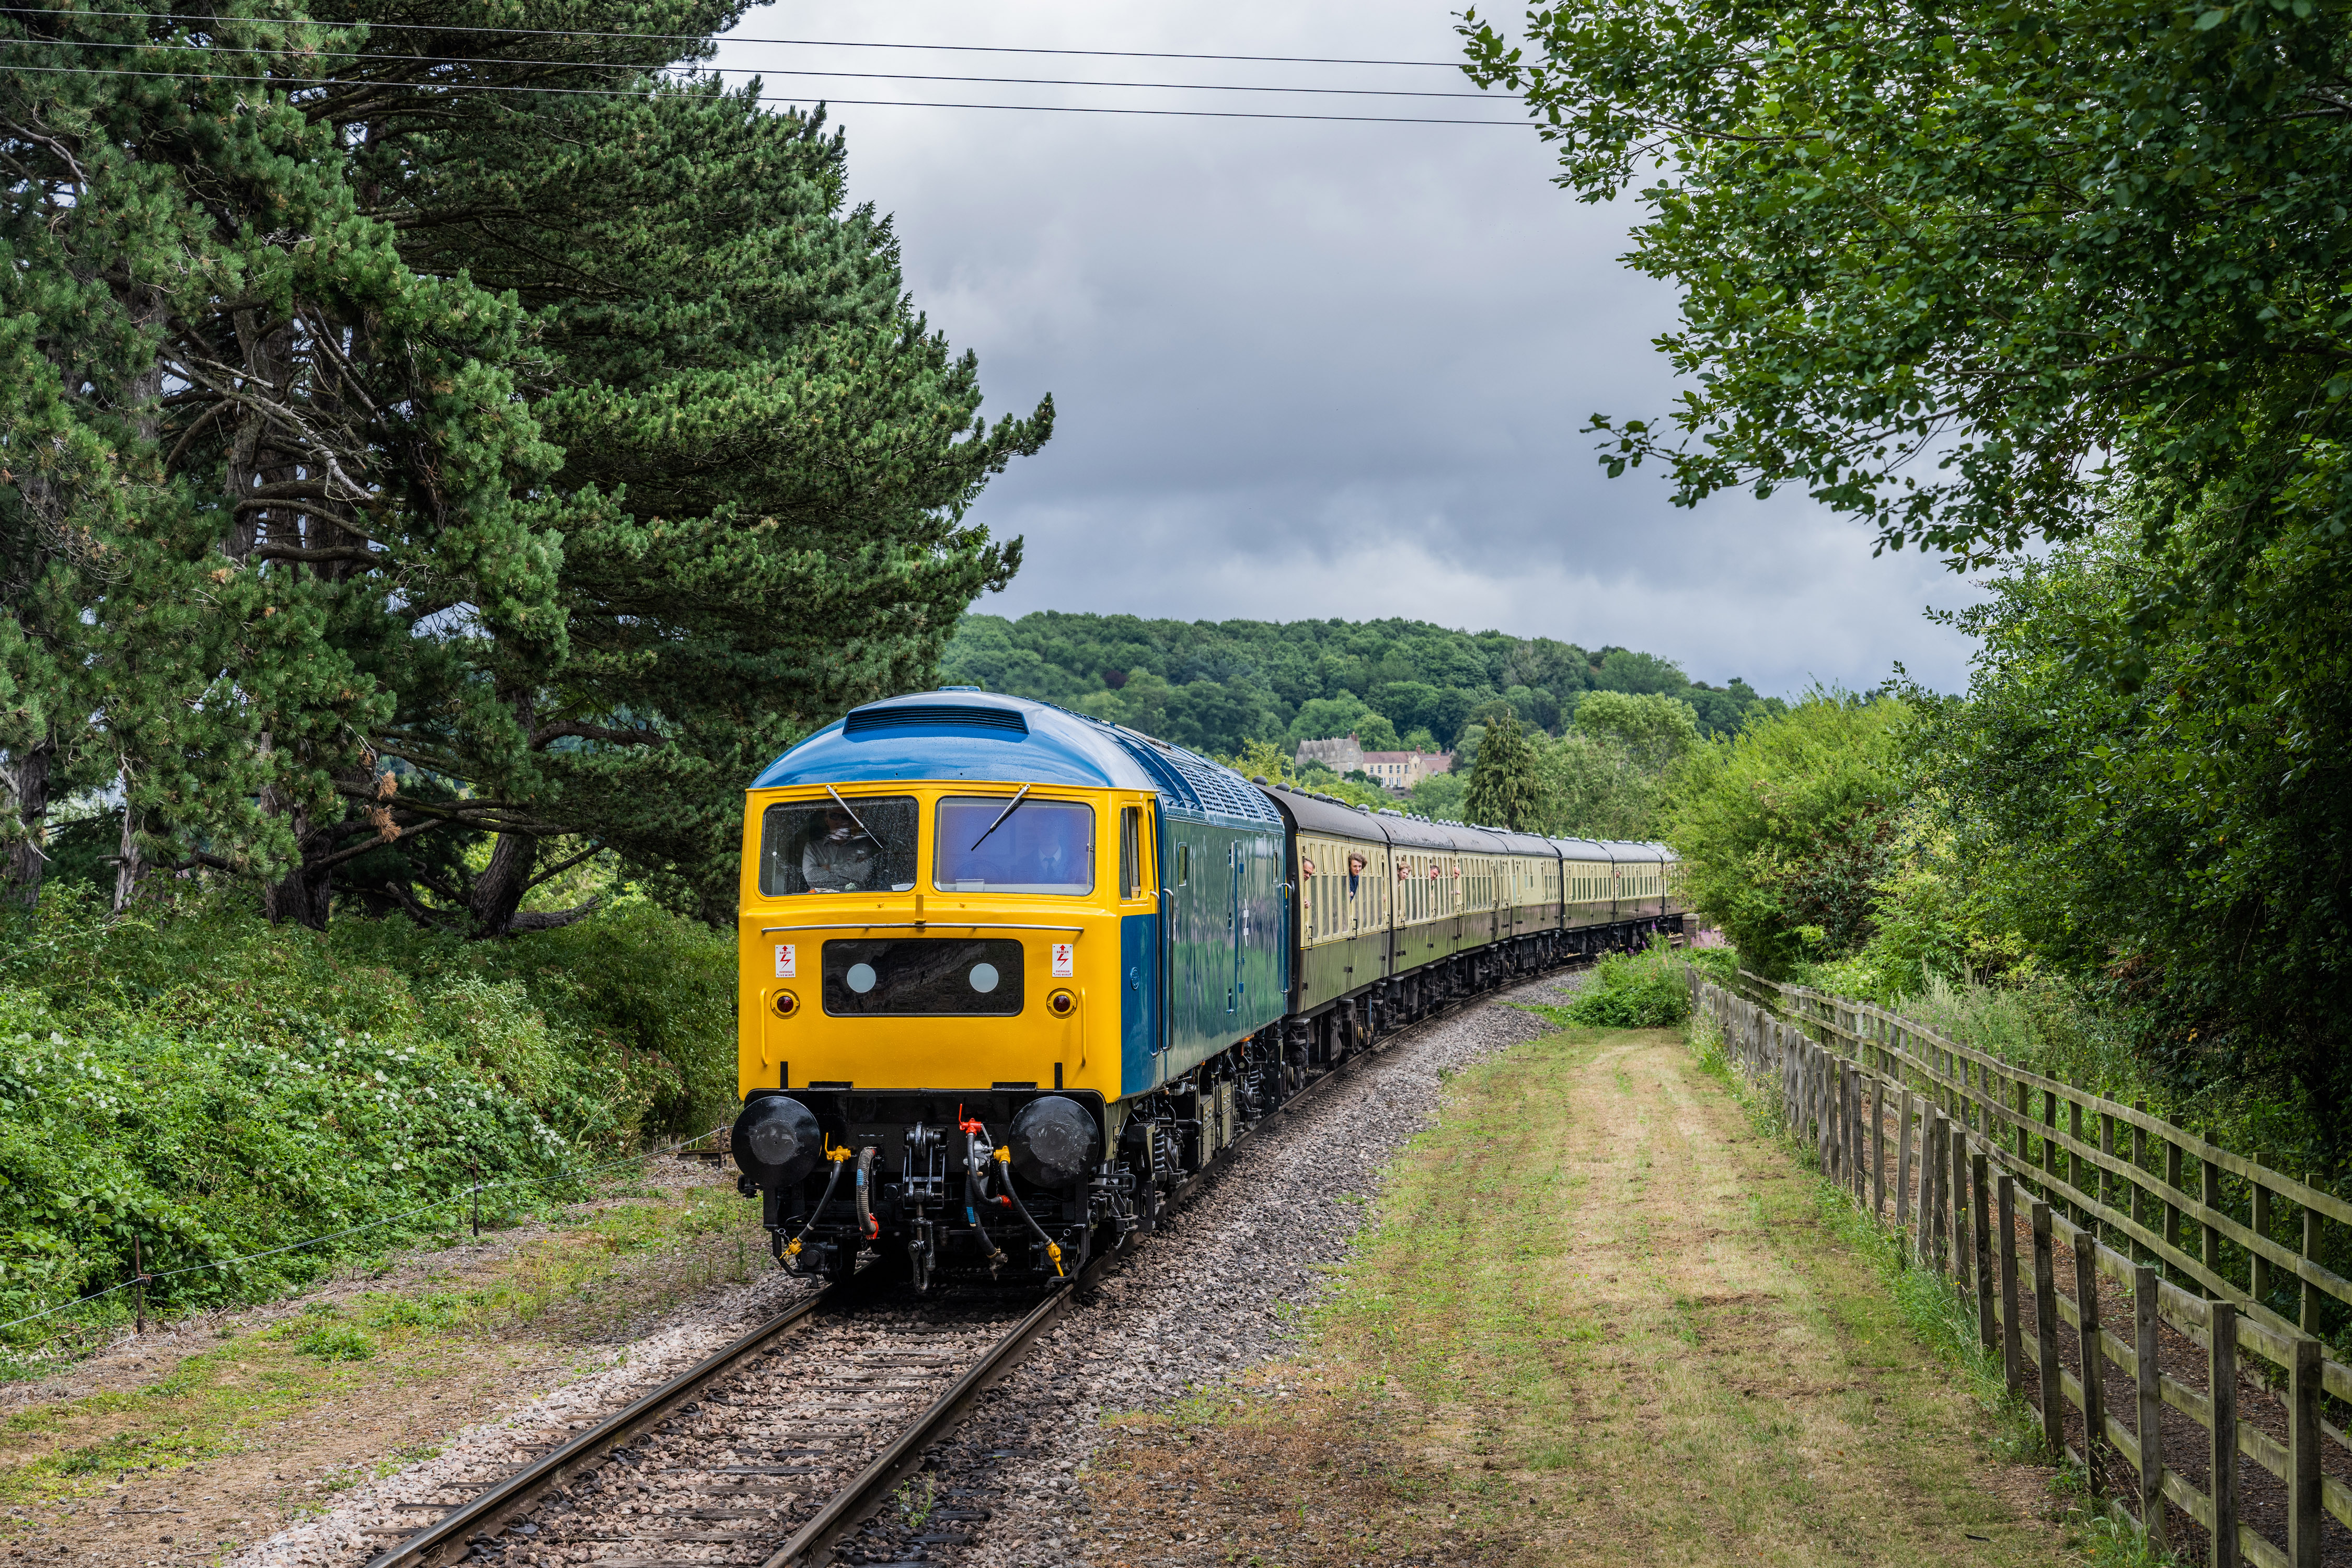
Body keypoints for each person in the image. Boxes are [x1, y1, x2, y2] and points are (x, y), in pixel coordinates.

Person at [802, 807, 879, 892]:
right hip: (821, 901)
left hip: (855, 899)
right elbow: (811, 877)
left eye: (845, 817)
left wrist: (830, 868)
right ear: (827, 820)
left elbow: (864, 874)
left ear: (852, 821)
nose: (840, 821)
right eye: (834, 816)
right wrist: (850, 881)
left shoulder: (862, 847)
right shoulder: (813, 847)